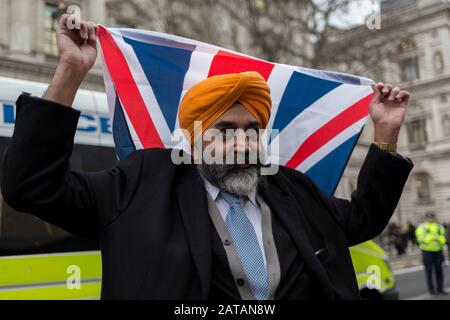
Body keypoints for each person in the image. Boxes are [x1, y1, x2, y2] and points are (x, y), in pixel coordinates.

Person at [0, 14, 414, 300]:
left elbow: (362, 218)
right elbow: (33, 187)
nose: (243, 142)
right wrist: (71, 70)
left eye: (253, 131)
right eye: (226, 130)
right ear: (194, 138)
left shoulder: (291, 189)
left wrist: (386, 133)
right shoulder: (143, 182)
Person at [415, 211, 447, 295]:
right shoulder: (422, 226)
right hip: (427, 252)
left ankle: (440, 289)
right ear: (425, 218)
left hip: (438, 251)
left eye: (432, 217)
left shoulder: (439, 226)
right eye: (428, 217)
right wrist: (433, 238)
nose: (430, 218)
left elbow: (443, 238)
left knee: (439, 271)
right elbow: (420, 238)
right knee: (429, 271)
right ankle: (431, 290)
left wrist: (438, 239)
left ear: (434, 217)